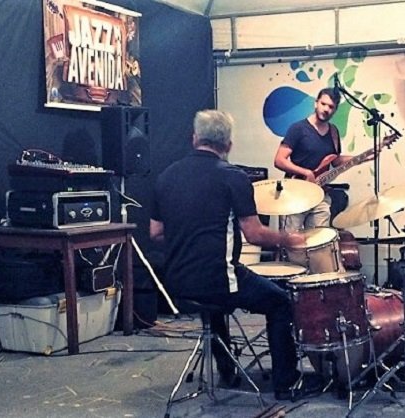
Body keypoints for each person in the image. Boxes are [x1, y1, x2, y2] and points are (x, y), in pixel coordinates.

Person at [150, 110, 314, 400]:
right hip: (218, 279)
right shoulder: (232, 176)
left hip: (175, 283)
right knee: (280, 302)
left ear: (194, 138)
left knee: (213, 301)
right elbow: (254, 234)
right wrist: (288, 239)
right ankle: (286, 383)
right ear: (228, 145)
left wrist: (189, 238)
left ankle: (227, 370)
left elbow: (156, 233)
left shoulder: (166, 176)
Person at [273, 87, 359, 231]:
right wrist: (306, 172)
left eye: (331, 107)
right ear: (316, 103)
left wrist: (359, 158)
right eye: (323, 104)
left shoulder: (333, 132)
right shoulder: (298, 128)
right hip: (296, 192)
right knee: (291, 238)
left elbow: (335, 161)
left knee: (319, 238)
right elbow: (279, 160)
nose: (326, 109)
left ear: (335, 110)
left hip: (320, 194)